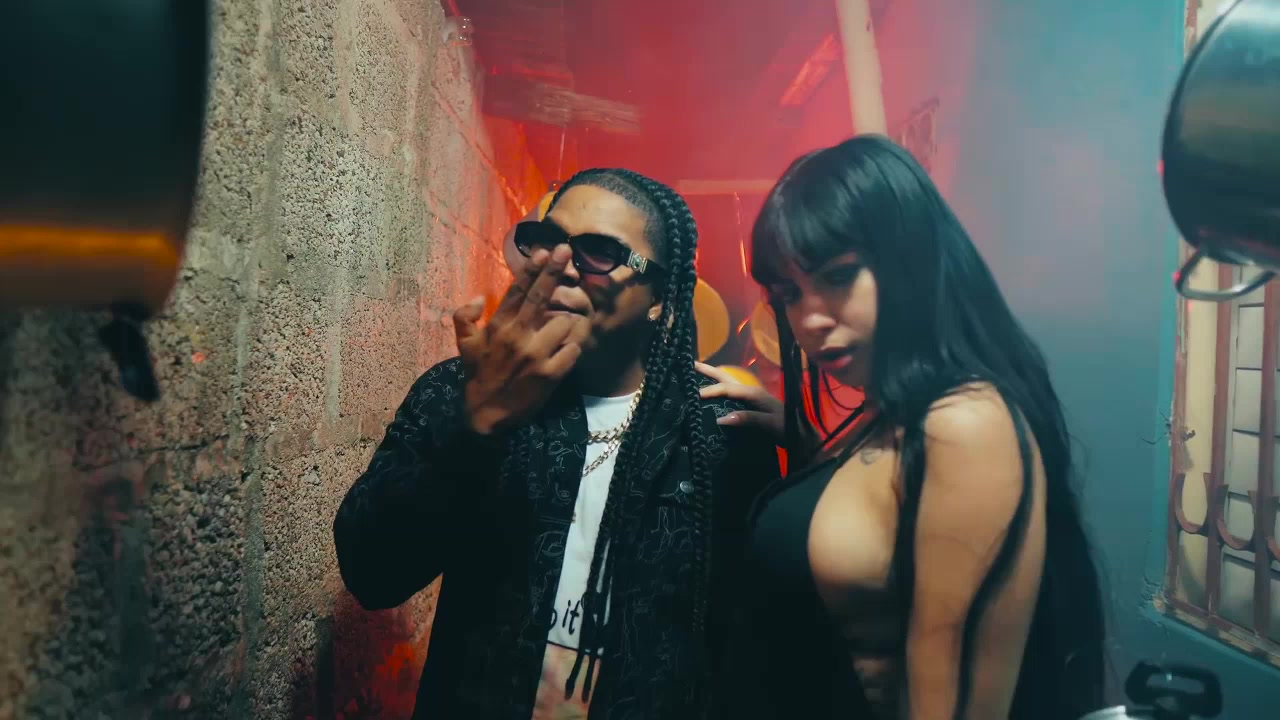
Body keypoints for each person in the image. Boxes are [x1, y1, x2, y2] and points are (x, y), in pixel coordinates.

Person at [333, 168, 781, 719]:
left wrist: (815, 450)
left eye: (600, 251)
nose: (560, 265)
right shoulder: (463, 388)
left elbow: (758, 643)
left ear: (659, 298)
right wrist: (475, 428)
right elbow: (372, 574)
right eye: (547, 242)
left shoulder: (718, 434)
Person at [702, 135, 1107, 720]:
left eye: (839, 276)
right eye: (789, 294)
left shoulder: (964, 424)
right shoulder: (897, 412)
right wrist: (801, 436)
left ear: (909, 262)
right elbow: (878, 528)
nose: (810, 319)